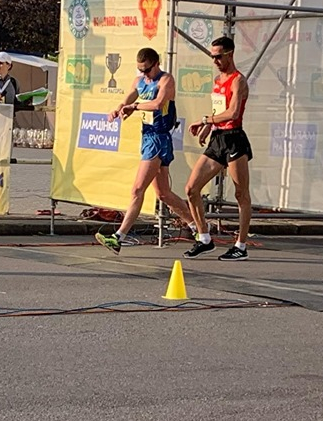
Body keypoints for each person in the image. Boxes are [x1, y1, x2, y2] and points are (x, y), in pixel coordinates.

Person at [94, 47, 195, 255]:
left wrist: (135, 107)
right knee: (164, 193)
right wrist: (119, 109)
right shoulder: (140, 81)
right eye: (141, 70)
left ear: (156, 64)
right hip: (147, 136)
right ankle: (198, 227)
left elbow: (158, 104)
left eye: (147, 70)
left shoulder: (165, 80)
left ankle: (118, 237)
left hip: (158, 138)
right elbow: (127, 100)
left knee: (137, 190)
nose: (144, 74)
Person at [183, 36, 252, 261]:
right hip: (218, 138)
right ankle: (204, 238)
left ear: (230, 54)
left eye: (218, 56)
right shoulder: (217, 80)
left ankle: (241, 246)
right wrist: (208, 127)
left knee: (241, 193)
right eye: (212, 56)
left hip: (234, 139)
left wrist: (205, 120)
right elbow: (218, 110)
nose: (215, 61)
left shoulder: (238, 80)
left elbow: (232, 112)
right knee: (191, 189)